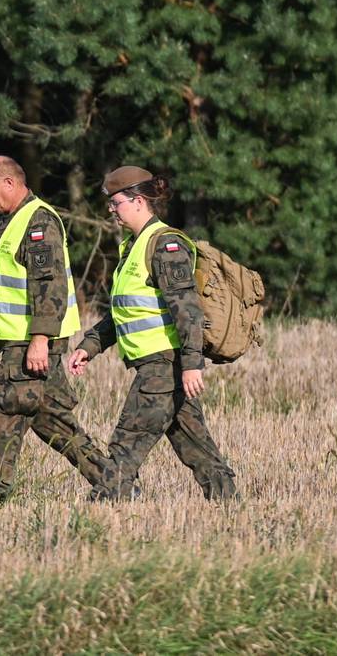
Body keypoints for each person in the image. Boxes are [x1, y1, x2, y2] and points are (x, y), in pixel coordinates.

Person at [0, 156, 112, 501]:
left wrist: (39, 341)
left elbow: (49, 286)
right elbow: (7, 280)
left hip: (28, 341)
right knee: (51, 422)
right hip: (23, 340)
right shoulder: (10, 221)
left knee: (1, 414)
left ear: (10, 184)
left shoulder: (39, 222)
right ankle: (115, 483)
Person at [67, 166, 237, 501]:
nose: (111, 210)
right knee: (197, 448)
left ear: (139, 200)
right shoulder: (133, 246)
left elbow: (187, 309)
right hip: (159, 364)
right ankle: (231, 507)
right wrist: (90, 346)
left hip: (164, 364)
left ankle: (100, 513)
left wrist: (192, 364)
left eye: (116, 202)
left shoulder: (165, 245)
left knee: (126, 443)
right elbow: (127, 312)